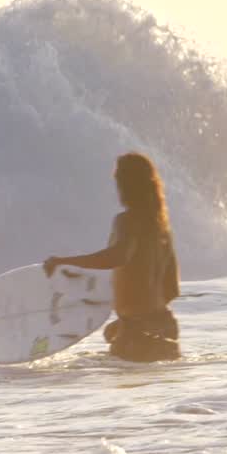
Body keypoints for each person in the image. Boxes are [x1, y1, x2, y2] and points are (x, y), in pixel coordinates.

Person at [43, 153, 181, 362]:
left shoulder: (127, 221)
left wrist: (65, 262)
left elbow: (117, 257)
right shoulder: (161, 229)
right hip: (164, 326)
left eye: (118, 181)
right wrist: (127, 320)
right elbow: (172, 289)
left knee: (123, 391)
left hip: (138, 335)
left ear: (127, 185)